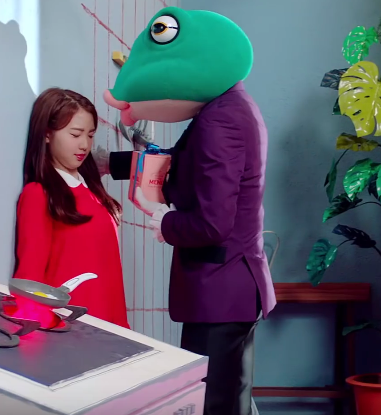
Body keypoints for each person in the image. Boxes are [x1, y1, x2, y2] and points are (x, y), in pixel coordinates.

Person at [102, 7, 275, 415]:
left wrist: (165, 221)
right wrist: (109, 163)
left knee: (213, 405)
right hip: (229, 289)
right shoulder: (229, 107)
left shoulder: (220, 120)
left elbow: (213, 223)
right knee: (225, 400)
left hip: (221, 288)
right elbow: (179, 165)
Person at [13, 87, 130, 329]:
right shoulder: (39, 194)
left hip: (110, 326)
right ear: (47, 134)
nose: (84, 145)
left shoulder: (95, 194)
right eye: (75, 134)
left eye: (90, 135)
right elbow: (30, 278)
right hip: (69, 328)